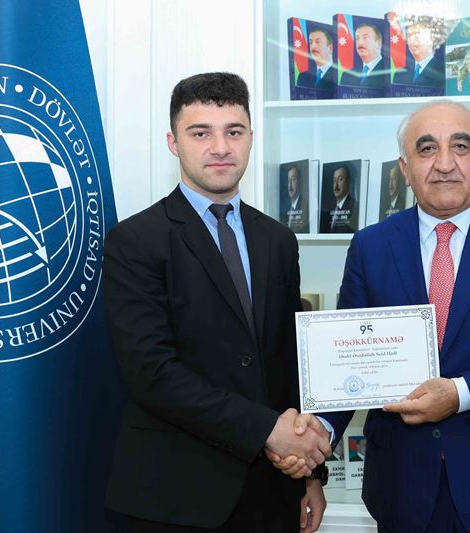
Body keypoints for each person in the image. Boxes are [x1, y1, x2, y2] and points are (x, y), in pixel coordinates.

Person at [273, 101, 470, 532]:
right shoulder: (371, 246)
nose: (445, 163)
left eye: (460, 146)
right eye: (427, 148)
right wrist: (319, 431)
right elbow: (349, 362)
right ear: (405, 168)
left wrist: (460, 393)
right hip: (403, 487)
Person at [102, 73, 330, 533]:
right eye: (200, 133)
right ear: (173, 142)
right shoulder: (134, 241)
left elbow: (288, 361)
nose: (220, 147)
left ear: (250, 138)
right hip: (176, 496)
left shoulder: (278, 240)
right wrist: (267, 430)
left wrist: (310, 472)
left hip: (274, 488)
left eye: (234, 131)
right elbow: (151, 374)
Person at [396, 23, 443, 88]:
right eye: (409, 36)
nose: (412, 42)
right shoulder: (400, 73)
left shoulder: (443, 71)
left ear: (432, 39)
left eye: (417, 36)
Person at [319, 165, 358, 233]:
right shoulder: (327, 208)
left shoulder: (355, 207)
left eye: (340, 179)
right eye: (334, 180)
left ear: (348, 182)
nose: (336, 186)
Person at [346, 23, 384, 89]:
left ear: (378, 43)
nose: (360, 43)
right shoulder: (348, 75)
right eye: (357, 38)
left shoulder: (389, 71)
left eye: (365, 37)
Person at [298, 28, 336, 94]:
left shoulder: (339, 77)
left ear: (330, 48)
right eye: (310, 42)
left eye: (318, 42)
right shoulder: (303, 77)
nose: (313, 47)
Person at [283, 164, 309, 233]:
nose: (290, 186)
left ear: (299, 182)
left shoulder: (305, 206)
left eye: (293, 180)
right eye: (288, 181)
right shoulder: (286, 210)